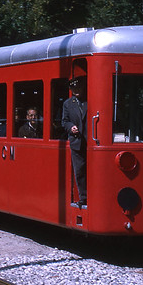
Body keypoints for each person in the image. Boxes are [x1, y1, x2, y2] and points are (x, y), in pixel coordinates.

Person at [62, 76, 87, 207]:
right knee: (80, 171)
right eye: (73, 88)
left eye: (78, 87)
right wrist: (71, 127)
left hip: (90, 141)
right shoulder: (67, 104)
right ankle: (83, 197)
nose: (76, 90)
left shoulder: (90, 100)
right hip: (77, 141)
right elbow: (64, 121)